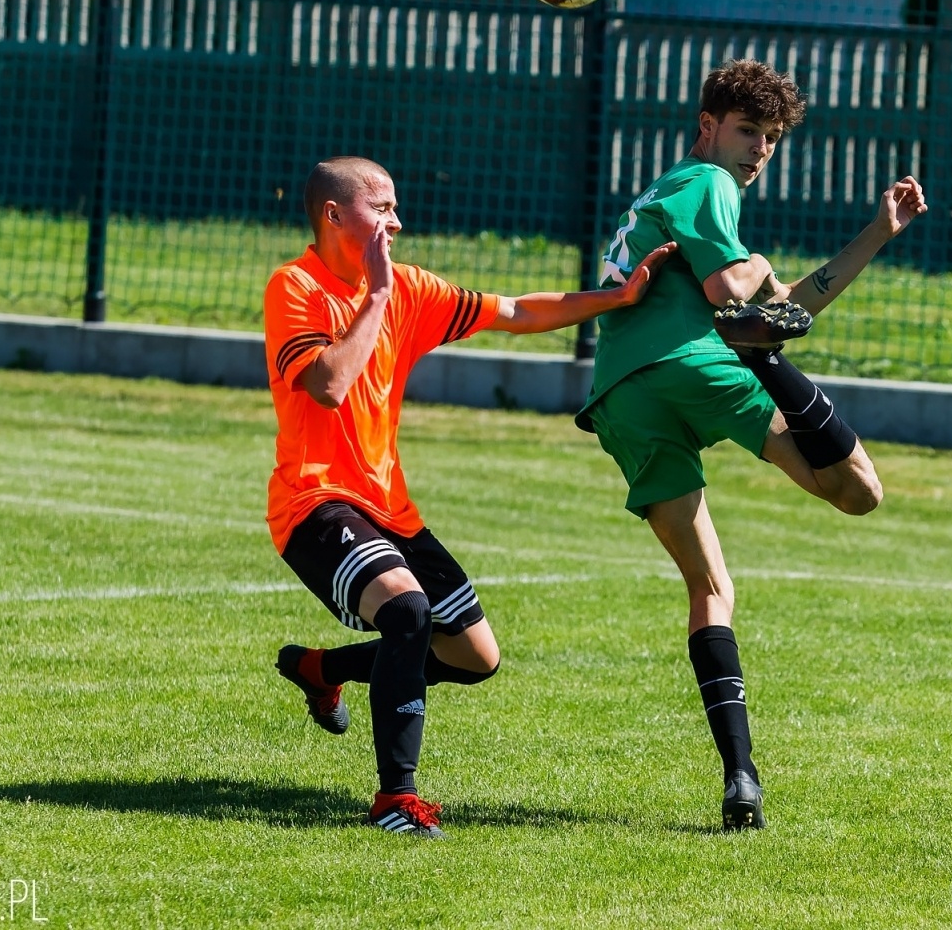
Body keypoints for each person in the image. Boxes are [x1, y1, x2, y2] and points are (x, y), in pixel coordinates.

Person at [266, 156, 674, 839]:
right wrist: (374, 296)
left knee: (475, 656)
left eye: (396, 208)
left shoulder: (411, 290)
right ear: (335, 216)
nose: (395, 222)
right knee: (407, 611)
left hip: (391, 510)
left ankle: (321, 667)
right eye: (381, 207)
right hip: (315, 503)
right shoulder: (296, 286)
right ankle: (396, 798)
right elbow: (330, 384)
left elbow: (513, 311)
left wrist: (618, 298)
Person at [575, 59, 927, 830]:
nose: (759, 149)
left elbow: (780, 311)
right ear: (707, 126)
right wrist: (761, 275)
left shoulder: (669, 198)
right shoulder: (705, 183)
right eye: (747, 131)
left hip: (621, 398)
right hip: (688, 366)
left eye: (770, 138)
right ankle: (765, 369)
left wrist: (876, 232)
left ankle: (740, 777)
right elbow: (735, 295)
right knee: (859, 491)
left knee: (711, 588)